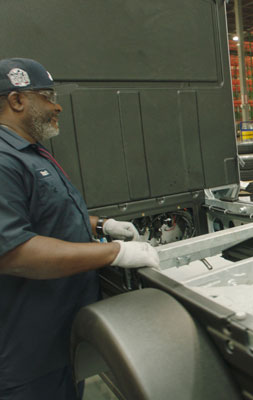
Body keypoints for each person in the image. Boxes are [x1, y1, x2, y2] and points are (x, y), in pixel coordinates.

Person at [0, 58, 160, 400]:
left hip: (58, 338)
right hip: (28, 352)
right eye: (47, 95)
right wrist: (114, 253)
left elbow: (47, 213)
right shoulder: (3, 160)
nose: (57, 105)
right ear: (17, 101)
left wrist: (102, 225)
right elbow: (14, 252)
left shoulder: (30, 154)